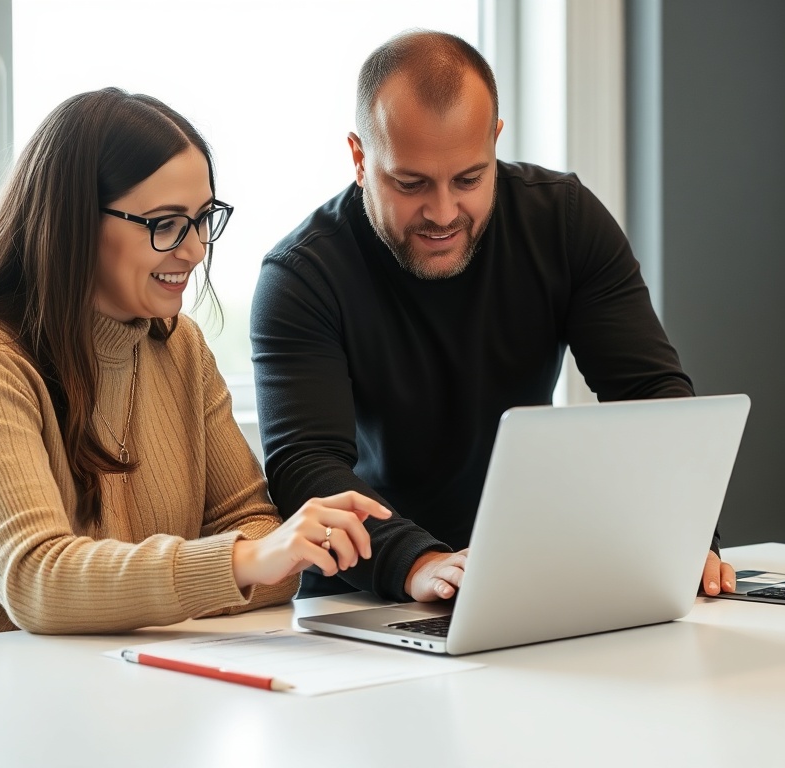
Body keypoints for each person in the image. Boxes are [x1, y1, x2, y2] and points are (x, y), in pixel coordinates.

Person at [0, 87, 390, 645]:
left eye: (203, 219)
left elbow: (260, 537)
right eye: (166, 223)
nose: (196, 249)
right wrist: (241, 563)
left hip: (114, 686)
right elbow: (37, 582)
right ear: (74, 222)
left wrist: (255, 558)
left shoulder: (180, 348)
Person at [251, 30, 736, 602]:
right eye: (411, 184)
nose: (443, 212)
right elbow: (306, 465)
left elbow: (651, 394)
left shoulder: (564, 222)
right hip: (365, 595)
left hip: (536, 576)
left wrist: (682, 534)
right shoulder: (302, 276)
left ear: (495, 141)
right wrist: (420, 563)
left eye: (469, 178)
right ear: (360, 158)